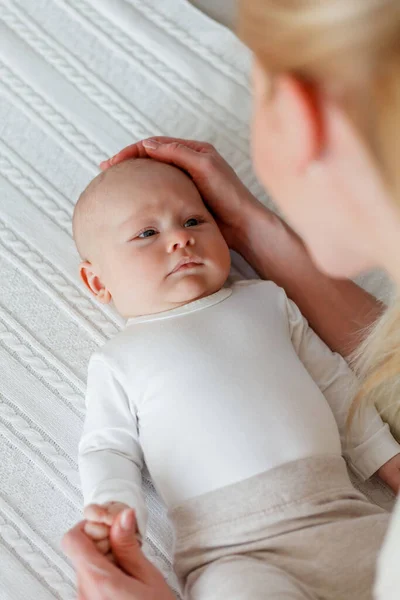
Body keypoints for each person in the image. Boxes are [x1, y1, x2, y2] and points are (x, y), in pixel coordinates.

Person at [62, 0, 400, 598]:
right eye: (146, 234)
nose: (179, 239)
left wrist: (389, 464)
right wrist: (109, 508)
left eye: (194, 219)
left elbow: (340, 388)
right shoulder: (120, 358)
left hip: (346, 516)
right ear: (98, 283)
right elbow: (108, 444)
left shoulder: (268, 302)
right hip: (235, 552)